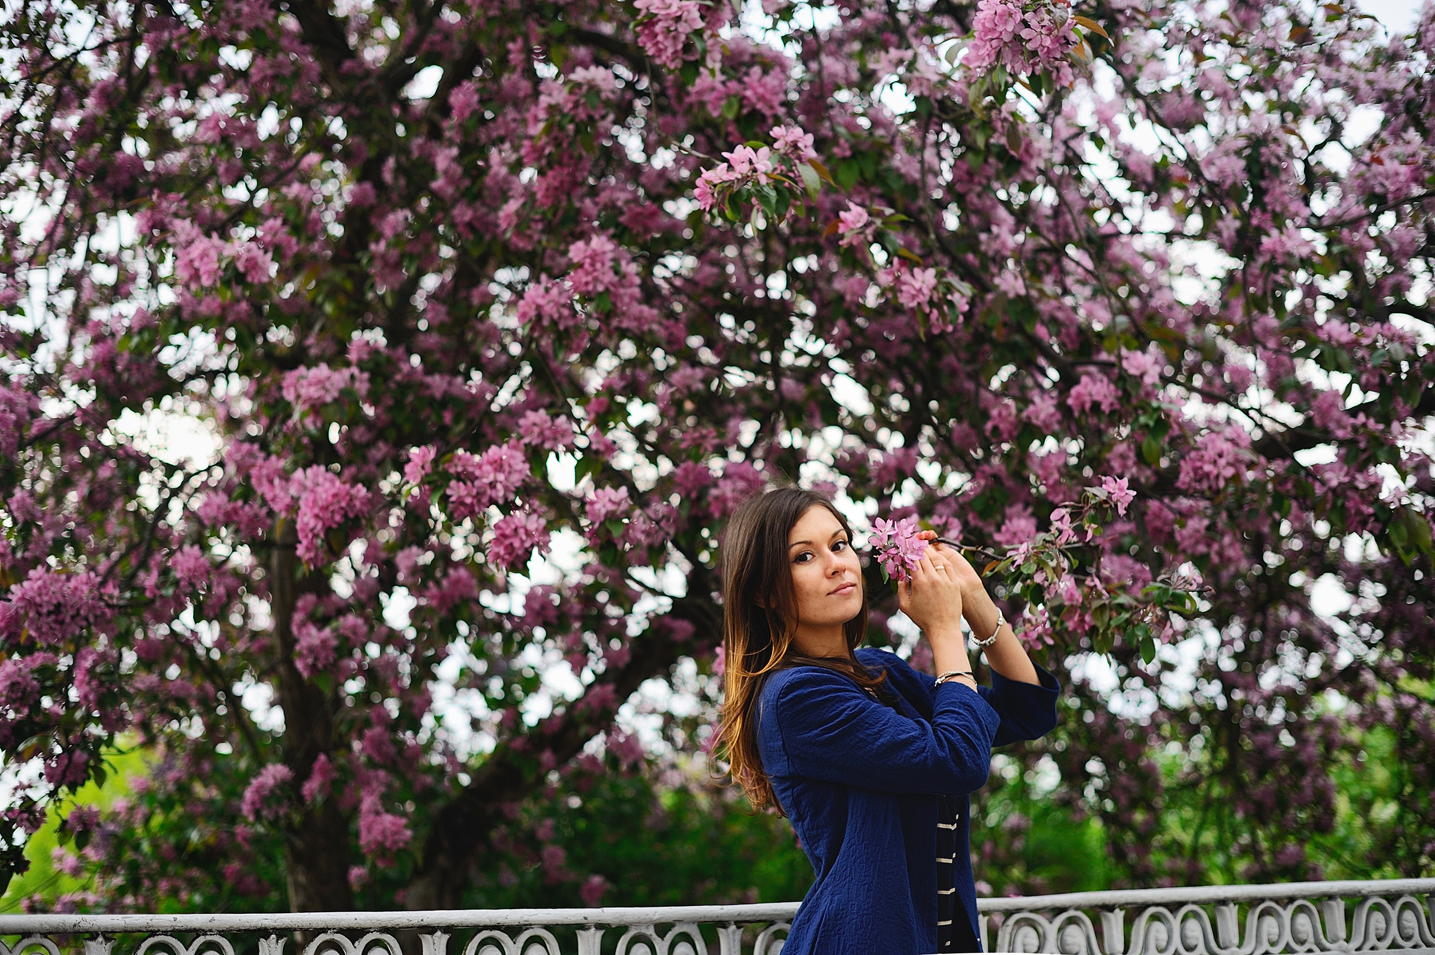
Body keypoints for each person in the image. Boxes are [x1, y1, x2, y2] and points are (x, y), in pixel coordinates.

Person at [715, 487, 1059, 955]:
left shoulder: (879, 672)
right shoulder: (795, 698)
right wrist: (943, 630)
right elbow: (956, 759)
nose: (836, 563)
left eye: (839, 545)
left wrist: (975, 601)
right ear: (765, 594)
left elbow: (1026, 711)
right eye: (804, 557)